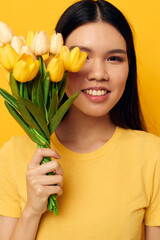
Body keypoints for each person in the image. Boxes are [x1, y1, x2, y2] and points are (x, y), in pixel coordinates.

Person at [0, 0, 160, 239]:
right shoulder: (14, 155)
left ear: (129, 67)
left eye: (114, 58)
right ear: (56, 61)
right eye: (82, 56)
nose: (98, 74)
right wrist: (32, 211)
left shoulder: (152, 155)